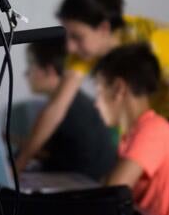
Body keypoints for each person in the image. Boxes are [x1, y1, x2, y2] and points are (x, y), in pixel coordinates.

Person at [15, 0, 169, 215]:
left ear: (103, 28)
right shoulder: (85, 52)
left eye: (77, 37)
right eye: (67, 36)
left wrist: (160, 148)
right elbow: (55, 109)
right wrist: (20, 162)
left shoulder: (156, 42)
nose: (70, 46)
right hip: (162, 121)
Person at [95, 43, 169, 215]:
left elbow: (111, 194)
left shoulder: (153, 131)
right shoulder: (132, 134)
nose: (96, 104)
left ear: (119, 88)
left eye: (99, 91)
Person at [23, 40, 117, 180]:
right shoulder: (79, 102)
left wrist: (17, 163)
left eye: (31, 66)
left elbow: (41, 154)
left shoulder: (62, 110)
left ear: (50, 71)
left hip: (75, 187)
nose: (26, 73)